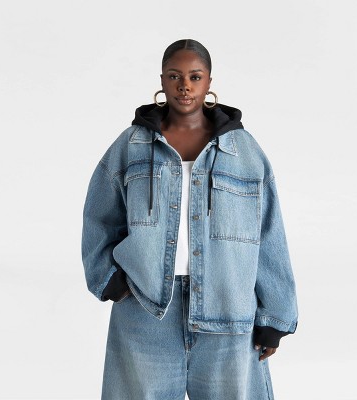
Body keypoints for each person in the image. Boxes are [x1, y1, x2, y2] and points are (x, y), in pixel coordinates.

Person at [81, 38, 298, 400]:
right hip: (145, 310)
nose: (184, 86)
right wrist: (108, 280)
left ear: (209, 81)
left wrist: (275, 316)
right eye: (174, 76)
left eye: (195, 77)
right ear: (161, 81)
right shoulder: (131, 145)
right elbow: (99, 217)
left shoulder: (244, 151)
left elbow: (269, 232)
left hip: (228, 311)